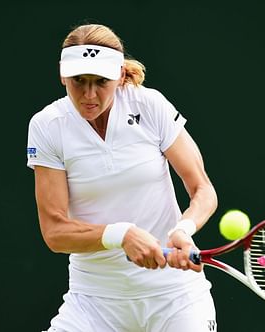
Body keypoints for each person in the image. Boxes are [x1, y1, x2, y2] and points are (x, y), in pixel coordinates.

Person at [26, 23, 218, 332]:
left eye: (101, 81)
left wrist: (183, 229)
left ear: (119, 76)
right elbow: (55, 231)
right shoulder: (48, 126)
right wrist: (122, 234)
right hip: (92, 303)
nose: (89, 95)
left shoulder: (149, 104)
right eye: (79, 81)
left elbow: (203, 189)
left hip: (175, 298)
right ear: (62, 75)